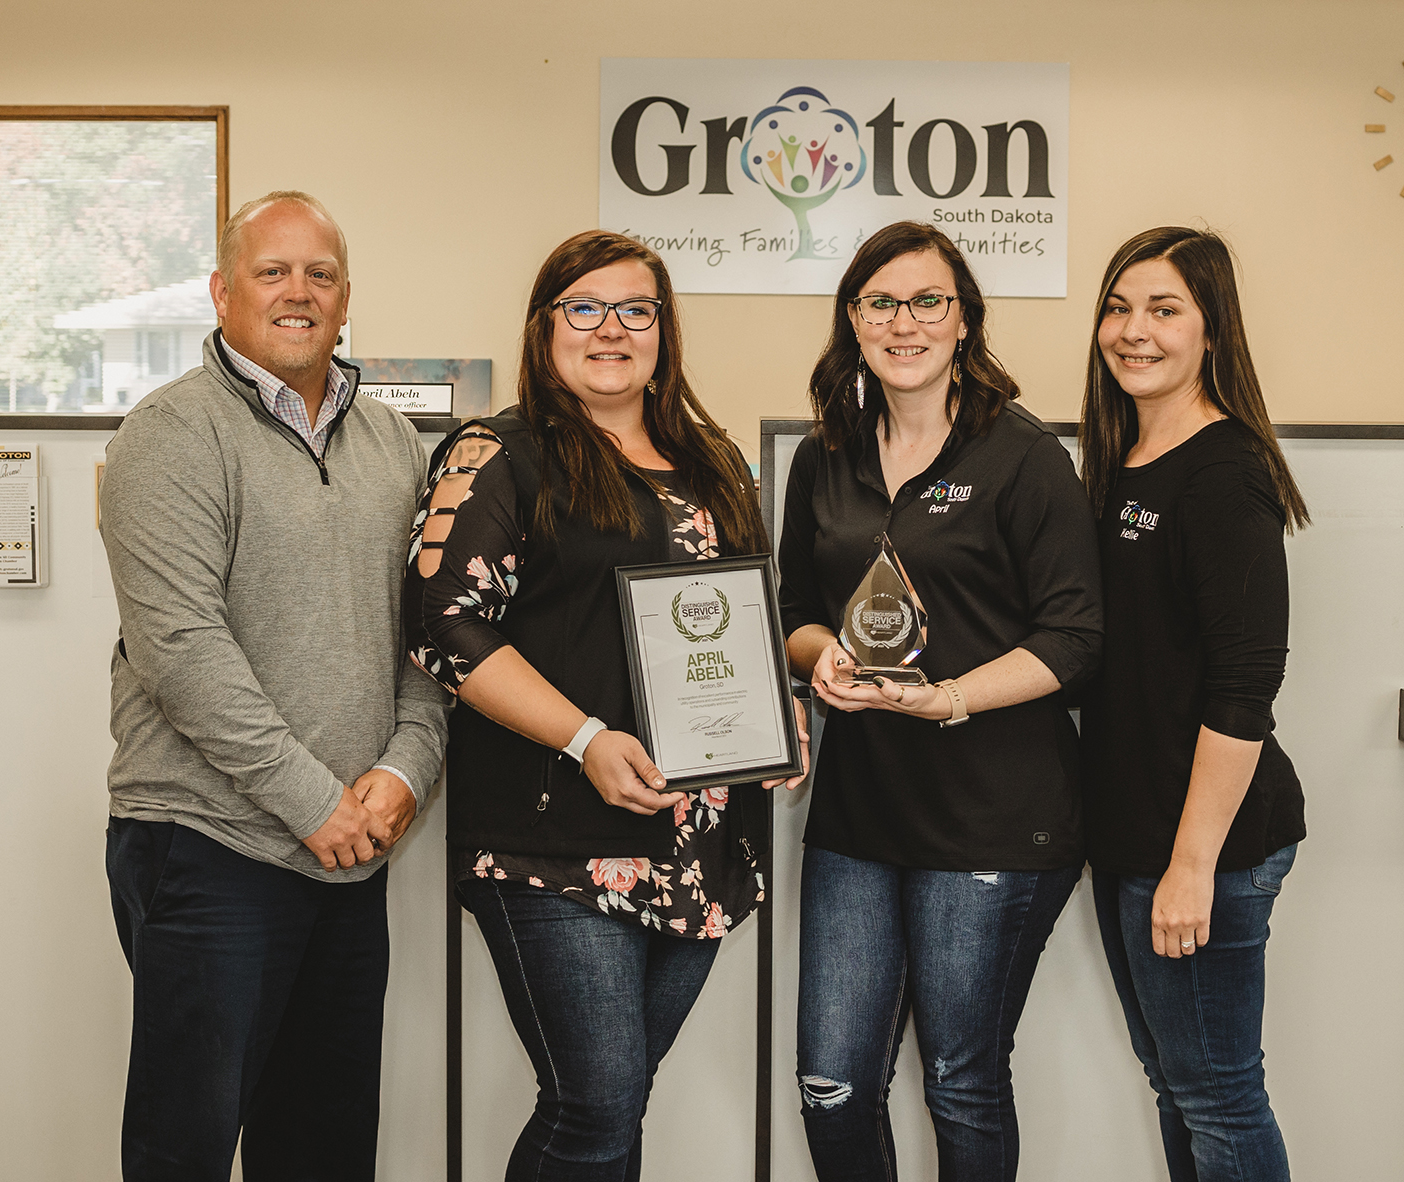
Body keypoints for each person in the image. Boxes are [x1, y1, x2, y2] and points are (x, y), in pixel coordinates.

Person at [406, 229, 804, 1181]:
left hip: (702, 838)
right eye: (584, 308)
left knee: (608, 1110)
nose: (611, 330)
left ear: (663, 330)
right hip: (556, 845)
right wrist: (585, 737)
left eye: (636, 310)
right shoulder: (500, 453)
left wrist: (773, 715)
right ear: (546, 328)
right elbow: (442, 626)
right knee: (598, 1104)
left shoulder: (713, 462)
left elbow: (743, 619)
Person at [100, 190, 448, 1181]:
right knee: (187, 1150)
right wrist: (313, 802)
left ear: (345, 300)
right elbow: (180, 649)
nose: (298, 293)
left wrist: (402, 775)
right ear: (221, 292)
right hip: (209, 850)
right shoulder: (169, 434)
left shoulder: (391, 444)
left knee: (325, 1151)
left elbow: (425, 638)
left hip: (351, 856)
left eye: (320, 274)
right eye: (272, 271)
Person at [778, 220, 1103, 1181]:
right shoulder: (823, 453)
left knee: (960, 1082)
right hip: (856, 818)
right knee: (831, 1086)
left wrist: (953, 698)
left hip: (992, 822)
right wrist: (820, 656)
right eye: (882, 301)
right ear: (854, 319)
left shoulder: (1022, 455)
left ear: (965, 322)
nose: (905, 321)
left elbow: (1077, 640)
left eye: (930, 301)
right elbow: (794, 609)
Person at [1077, 226, 1310, 1182]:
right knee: (1178, 1084)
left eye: (1165, 309)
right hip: (1134, 833)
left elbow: (1245, 685)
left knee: (1218, 1095)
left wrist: (1191, 867)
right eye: (1119, 307)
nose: (1134, 331)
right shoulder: (1125, 456)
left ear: (1213, 331)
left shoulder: (1224, 471)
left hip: (1207, 843)